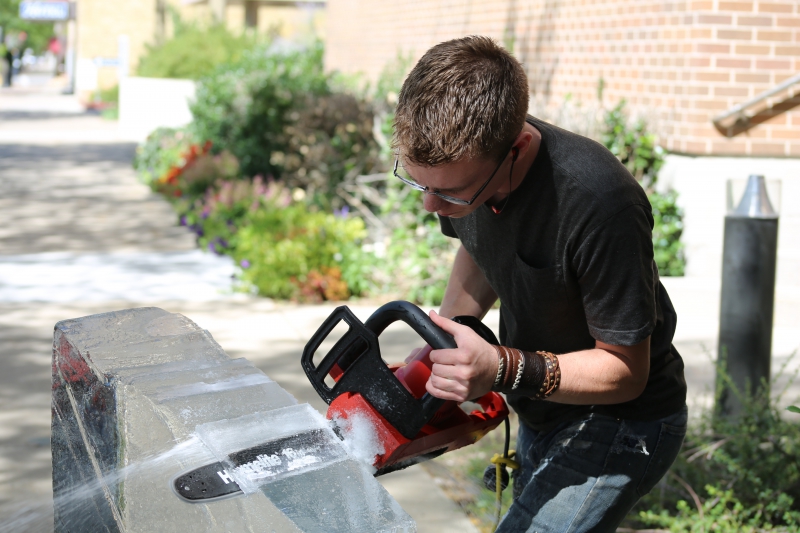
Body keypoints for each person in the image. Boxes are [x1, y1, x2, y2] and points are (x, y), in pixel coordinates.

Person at [392, 36, 687, 532]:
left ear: (518, 148)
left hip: (624, 421)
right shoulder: (470, 175)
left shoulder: (600, 203)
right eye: (418, 183)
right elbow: (481, 246)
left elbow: (624, 370)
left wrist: (499, 368)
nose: (430, 207)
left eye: (448, 192)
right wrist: (451, 335)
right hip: (543, 406)